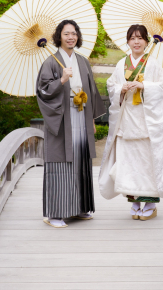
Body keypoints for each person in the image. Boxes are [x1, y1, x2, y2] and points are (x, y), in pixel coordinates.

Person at [98, 24, 163, 220]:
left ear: (147, 42)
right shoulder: (120, 64)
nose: (136, 41)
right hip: (127, 121)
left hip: (146, 121)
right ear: (127, 42)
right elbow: (111, 85)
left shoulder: (153, 63)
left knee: (148, 162)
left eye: (140, 38)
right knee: (129, 162)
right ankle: (134, 201)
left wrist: (144, 86)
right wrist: (121, 89)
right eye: (132, 38)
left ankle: (150, 202)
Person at [36, 19, 105, 228]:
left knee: (81, 158)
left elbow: (90, 92)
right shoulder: (50, 62)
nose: (71, 37)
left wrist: (91, 118)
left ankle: (79, 208)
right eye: (66, 34)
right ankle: (55, 213)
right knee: (60, 162)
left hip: (81, 113)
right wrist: (62, 81)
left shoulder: (82, 61)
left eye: (74, 33)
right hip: (61, 117)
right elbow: (42, 91)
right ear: (59, 36)